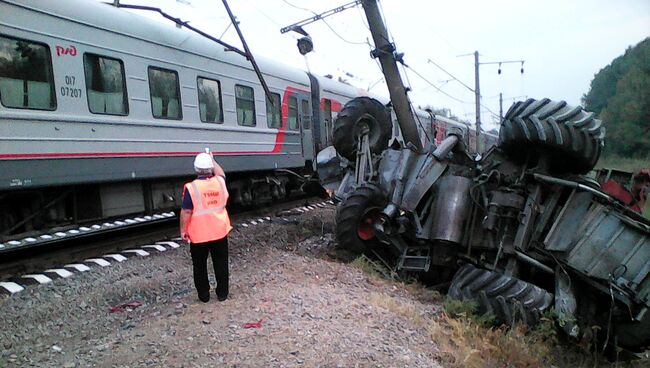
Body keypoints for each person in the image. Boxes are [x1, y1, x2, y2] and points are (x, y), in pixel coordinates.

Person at [180, 150, 231, 303]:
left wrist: (183, 230)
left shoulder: (192, 187)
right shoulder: (219, 182)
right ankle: (222, 294)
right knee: (221, 262)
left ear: (196, 169)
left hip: (199, 235)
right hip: (219, 232)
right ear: (211, 168)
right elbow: (221, 173)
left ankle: (204, 295)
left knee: (199, 265)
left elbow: (186, 211)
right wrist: (213, 159)